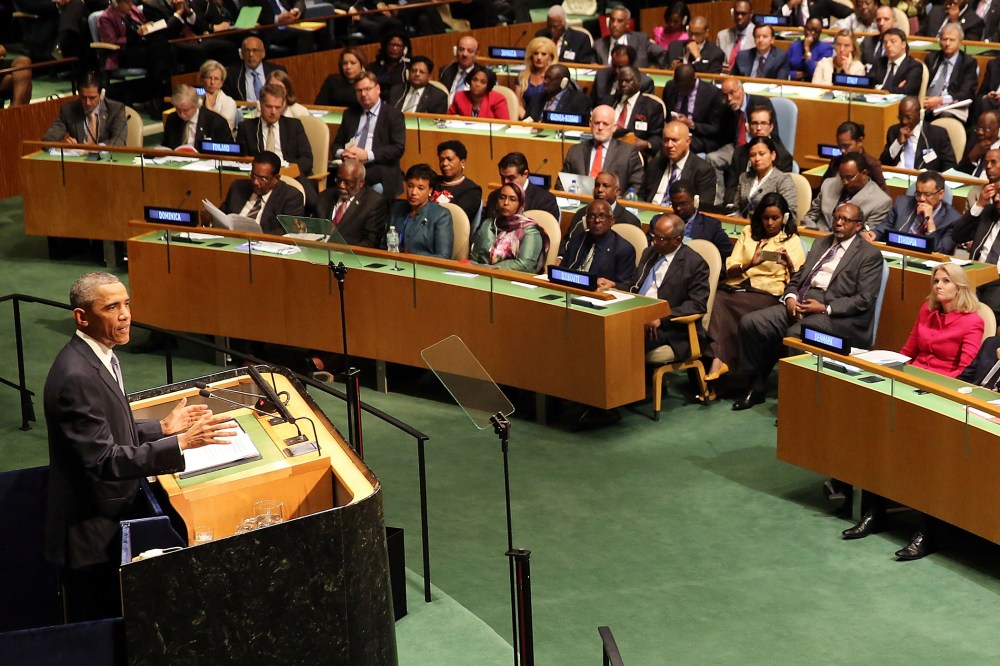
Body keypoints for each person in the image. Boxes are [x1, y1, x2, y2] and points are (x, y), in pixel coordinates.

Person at [45, 272, 235, 621]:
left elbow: (105, 429)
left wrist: (160, 428)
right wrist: (178, 443)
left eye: (127, 304)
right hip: (92, 533)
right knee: (102, 628)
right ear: (82, 317)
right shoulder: (76, 376)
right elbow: (103, 460)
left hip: (110, 516)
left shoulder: (98, 357)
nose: (125, 315)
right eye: (112, 307)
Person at [843, 264, 984, 561]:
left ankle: (927, 531)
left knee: (926, 453)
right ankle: (875, 511)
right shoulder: (926, 311)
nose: (938, 286)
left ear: (960, 287)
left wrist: (933, 388)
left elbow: (965, 371)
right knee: (877, 432)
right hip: (910, 381)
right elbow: (907, 351)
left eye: (946, 281)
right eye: (935, 281)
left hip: (941, 391)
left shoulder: (972, 322)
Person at [735, 202, 885, 410]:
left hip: (837, 317)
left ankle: (795, 402)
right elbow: (799, 276)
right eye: (836, 217)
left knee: (796, 334)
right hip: (801, 303)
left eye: (845, 220)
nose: (838, 223)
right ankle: (756, 386)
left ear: (858, 226)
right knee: (752, 323)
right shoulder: (821, 243)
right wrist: (789, 296)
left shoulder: (869, 255)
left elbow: (864, 299)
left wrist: (824, 308)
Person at [705, 193, 805, 382]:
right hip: (739, 288)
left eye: (775, 218)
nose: (770, 223)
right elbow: (730, 268)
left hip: (767, 294)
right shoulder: (748, 232)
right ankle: (718, 364)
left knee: (724, 304)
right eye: (765, 217)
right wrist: (750, 263)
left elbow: (799, 280)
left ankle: (718, 362)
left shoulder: (791, 240)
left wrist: (789, 264)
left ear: (784, 218)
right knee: (717, 298)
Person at [599, 214, 710, 358]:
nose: (654, 241)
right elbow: (634, 285)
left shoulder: (695, 264)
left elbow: (697, 304)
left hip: (669, 328)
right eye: (653, 236)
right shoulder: (650, 253)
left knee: (620, 340)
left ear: (677, 240)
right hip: (636, 314)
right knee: (601, 329)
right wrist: (614, 284)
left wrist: (662, 317)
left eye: (661, 239)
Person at [236, 83, 316, 210]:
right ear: (260, 104)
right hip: (259, 181)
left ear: (283, 106)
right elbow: (240, 161)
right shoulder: (247, 128)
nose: (273, 112)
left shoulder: (294, 126)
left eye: (278, 107)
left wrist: (287, 167)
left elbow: (307, 160)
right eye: (269, 106)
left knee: (312, 201)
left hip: (290, 177)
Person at [331, 72, 407, 201]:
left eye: (367, 89)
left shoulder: (393, 115)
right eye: (359, 91)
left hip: (379, 168)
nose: (363, 94)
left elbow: (398, 148)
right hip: (349, 166)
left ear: (377, 89)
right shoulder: (350, 114)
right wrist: (343, 153)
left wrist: (367, 155)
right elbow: (336, 145)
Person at [866, 171, 959, 254]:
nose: (922, 199)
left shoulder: (953, 219)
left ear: (941, 194)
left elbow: (941, 250)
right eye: (918, 194)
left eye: (928, 194)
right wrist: (874, 234)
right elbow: (885, 226)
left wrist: (930, 221)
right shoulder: (902, 203)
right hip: (897, 252)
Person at [952, 152, 1000, 315]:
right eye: (996, 194)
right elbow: (958, 236)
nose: (998, 199)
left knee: (983, 311)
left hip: (997, 283)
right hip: (974, 275)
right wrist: (980, 204)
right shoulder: (988, 212)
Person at [562, 105, 644, 193]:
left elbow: (637, 185)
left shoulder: (628, 152)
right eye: (597, 123)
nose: (600, 128)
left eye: (605, 124)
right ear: (590, 123)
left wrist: (618, 205)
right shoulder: (575, 151)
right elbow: (560, 184)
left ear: (614, 127)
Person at [723, 105, 794, 206]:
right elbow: (732, 186)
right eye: (755, 123)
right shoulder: (739, 152)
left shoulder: (783, 156)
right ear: (748, 127)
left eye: (763, 123)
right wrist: (732, 205)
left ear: (771, 127)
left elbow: (782, 194)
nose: (759, 128)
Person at [219, 151, 304, 235]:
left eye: (262, 179)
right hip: (230, 238)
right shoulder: (238, 187)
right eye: (253, 175)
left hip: (264, 244)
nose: (255, 182)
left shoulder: (291, 196)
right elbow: (223, 214)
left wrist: (257, 236)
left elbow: (289, 231)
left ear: (276, 178)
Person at [803, 152, 892, 232]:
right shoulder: (828, 184)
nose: (844, 182)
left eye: (849, 177)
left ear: (864, 174)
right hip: (817, 237)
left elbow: (865, 235)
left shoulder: (881, 202)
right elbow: (810, 216)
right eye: (842, 177)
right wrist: (814, 232)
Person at [470, 183, 548, 273]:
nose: (506, 203)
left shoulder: (529, 230)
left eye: (512, 199)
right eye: (502, 198)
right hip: (482, 276)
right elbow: (474, 258)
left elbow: (525, 265)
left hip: (513, 280)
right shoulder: (488, 224)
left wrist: (491, 269)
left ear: (520, 203)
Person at [641, 121, 717, 208]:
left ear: (688, 141)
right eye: (666, 140)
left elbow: (703, 207)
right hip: (650, 212)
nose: (669, 145)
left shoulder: (703, 170)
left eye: (674, 140)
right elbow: (641, 195)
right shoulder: (656, 164)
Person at [558, 200, 635, 284]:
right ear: (586, 220)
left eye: (602, 216)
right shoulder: (576, 240)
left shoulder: (624, 249)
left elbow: (626, 286)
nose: (597, 220)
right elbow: (562, 271)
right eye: (592, 216)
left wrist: (613, 285)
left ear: (612, 221)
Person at [316, 159, 388, 248]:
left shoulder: (374, 203)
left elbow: (371, 242)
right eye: (338, 180)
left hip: (351, 258)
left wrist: (342, 250)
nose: (341, 185)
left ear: (361, 183)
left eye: (347, 182)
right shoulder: (325, 196)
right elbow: (314, 229)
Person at [43, 72, 127, 145]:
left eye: (92, 98)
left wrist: (95, 149)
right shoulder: (67, 110)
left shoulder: (116, 109)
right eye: (83, 97)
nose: (87, 103)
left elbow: (119, 142)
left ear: (102, 94)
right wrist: (63, 145)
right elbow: (48, 140)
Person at [388, 163, 453, 258]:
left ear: (430, 190)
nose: (413, 192)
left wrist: (410, 258)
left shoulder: (441, 215)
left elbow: (444, 256)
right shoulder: (397, 208)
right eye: (410, 186)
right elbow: (384, 245)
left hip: (424, 268)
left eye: (420, 188)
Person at [879, 96, 956, 172]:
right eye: (901, 117)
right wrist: (898, 143)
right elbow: (883, 163)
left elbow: (950, 168)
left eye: (908, 117)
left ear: (919, 114)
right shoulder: (894, 131)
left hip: (924, 180)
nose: (904, 121)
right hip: (896, 178)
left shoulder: (937, 134)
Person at [661, 64, 724, 154]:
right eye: (679, 88)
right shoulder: (670, 87)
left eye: (685, 88)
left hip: (697, 138)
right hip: (673, 135)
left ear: (695, 78)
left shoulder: (712, 93)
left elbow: (715, 129)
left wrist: (691, 124)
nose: (681, 91)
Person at [922, 23, 979, 123]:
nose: (947, 43)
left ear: (960, 42)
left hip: (950, 105)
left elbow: (966, 93)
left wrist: (941, 100)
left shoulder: (968, 62)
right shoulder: (932, 58)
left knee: (945, 116)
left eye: (952, 40)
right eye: (944, 39)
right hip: (926, 102)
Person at [732, 136, 798, 219]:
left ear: (773, 155)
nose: (757, 159)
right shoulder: (744, 177)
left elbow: (789, 214)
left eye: (762, 154)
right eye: (752, 155)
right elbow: (736, 208)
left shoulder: (783, 180)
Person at [483, 152, 559, 221]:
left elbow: (545, 233)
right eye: (503, 177)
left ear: (525, 174)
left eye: (511, 178)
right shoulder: (494, 197)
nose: (505, 182)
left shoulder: (545, 200)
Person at [669, 180, 732, 261]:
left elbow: (728, 257)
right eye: (675, 204)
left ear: (695, 201)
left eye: (683, 204)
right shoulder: (660, 222)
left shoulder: (711, 226)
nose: (678, 208)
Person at [609, 66, 662, 158]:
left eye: (628, 80)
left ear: (638, 80)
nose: (623, 84)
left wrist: (646, 144)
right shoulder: (609, 101)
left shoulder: (652, 107)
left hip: (634, 155)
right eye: (620, 81)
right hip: (607, 149)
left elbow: (658, 137)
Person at [819, 121, 887, 190]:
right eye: (839, 146)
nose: (842, 150)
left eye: (846, 146)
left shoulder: (872, 164)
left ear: (860, 141)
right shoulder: (836, 161)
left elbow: (883, 195)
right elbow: (823, 187)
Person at [162, 84, 231, 150]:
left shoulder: (216, 122)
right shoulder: (172, 119)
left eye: (186, 110)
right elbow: (167, 146)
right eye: (178, 109)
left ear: (196, 105)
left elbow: (228, 151)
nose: (182, 114)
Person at [567, 171, 640, 231]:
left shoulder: (630, 221)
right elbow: (567, 242)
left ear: (617, 192)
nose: (600, 190)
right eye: (597, 185)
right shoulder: (581, 214)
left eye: (605, 186)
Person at [596, 6, 665, 68]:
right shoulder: (598, 45)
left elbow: (662, 54)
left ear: (627, 24)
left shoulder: (641, 40)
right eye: (612, 20)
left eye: (620, 21)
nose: (614, 24)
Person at [434, 140, 483, 227]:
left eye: (450, 159)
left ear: (462, 162)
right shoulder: (433, 181)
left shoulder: (471, 190)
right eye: (441, 160)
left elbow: (457, 219)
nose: (444, 163)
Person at [223, 36, 286, 103]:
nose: (251, 54)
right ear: (242, 53)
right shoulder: (231, 74)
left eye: (255, 50)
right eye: (247, 51)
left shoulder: (277, 71)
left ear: (263, 53)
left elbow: (286, 97)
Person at [590, 44, 655, 108]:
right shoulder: (602, 75)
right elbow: (592, 104)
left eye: (621, 67)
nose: (617, 71)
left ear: (631, 65)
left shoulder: (645, 83)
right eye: (614, 66)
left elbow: (645, 110)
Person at [526, 64, 591, 123]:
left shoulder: (578, 100)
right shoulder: (538, 97)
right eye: (545, 78)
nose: (545, 81)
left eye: (549, 79)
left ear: (564, 82)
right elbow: (528, 119)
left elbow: (581, 125)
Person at [869, 28, 923, 96]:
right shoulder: (879, 62)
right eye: (885, 42)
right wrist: (896, 89)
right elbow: (868, 84)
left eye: (893, 41)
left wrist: (880, 88)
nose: (888, 45)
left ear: (903, 44)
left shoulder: (914, 66)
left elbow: (907, 91)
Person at [514, 37, 557, 120]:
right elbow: (517, 103)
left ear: (551, 57)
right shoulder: (522, 77)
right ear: (530, 56)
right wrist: (527, 119)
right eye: (536, 53)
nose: (539, 58)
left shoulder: (555, 78)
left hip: (547, 120)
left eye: (543, 54)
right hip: (525, 120)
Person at [199, 59, 239, 136]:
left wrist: (209, 109)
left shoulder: (229, 103)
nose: (212, 82)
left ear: (221, 82)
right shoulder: (196, 100)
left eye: (216, 79)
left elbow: (222, 129)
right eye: (209, 78)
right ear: (201, 80)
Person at [717, 0, 755, 73]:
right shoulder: (722, 35)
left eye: (743, 14)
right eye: (736, 13)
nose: (739, 17)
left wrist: (735, 71)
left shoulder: (758, 36)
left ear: (751, 14)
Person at [370, 31, 410, 99]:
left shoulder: (409, 67)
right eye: (392, 45)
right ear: (385, 46)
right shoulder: (373, 67)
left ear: (405, 49)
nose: (394, 48)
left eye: (398, 46)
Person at [959, 111, 1000, 177]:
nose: (980, 132)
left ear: (997, 129)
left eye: (986, 129)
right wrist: (972, 157)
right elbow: (958, 173)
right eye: (978, 128)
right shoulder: (973, 142)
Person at [440, 35, 478, 103]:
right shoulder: (446, 70)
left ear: (477, 54)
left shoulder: (482, 74)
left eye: (470, 51)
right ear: (456, 51)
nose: (464, 54)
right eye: (461, 49)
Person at [772, 0, 853, 26]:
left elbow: (850, 14)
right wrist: (789, 5)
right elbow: (771, 21)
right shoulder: (780, 1)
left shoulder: (821, 2)